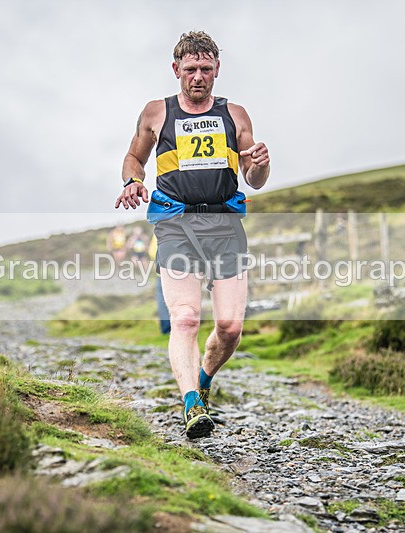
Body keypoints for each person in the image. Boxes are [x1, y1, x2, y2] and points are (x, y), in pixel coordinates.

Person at [114, 31, 270, 439]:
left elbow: (254, 179)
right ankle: (190, 404)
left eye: (205, 69)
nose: (197, 77)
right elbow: (134, 157)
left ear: (217, 69)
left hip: (225, 224)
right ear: (176, 70)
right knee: (184, 318)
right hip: (176, 224)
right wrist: (133, 181)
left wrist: (259, 163)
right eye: (190, 70)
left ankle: (202, 378)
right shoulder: (156, 113)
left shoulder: (234, 115)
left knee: (231, 327)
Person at [148, 234, 171, 335]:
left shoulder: (160, 227)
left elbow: (152, 251)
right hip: (177, 271)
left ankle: (166, 328)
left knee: (162, 299)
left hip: (161, 270)